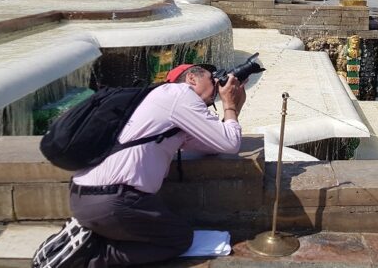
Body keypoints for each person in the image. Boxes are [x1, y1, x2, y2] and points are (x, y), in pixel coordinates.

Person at [38, 64, 246, 266]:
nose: (217, 84)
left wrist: (235, 106)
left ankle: (86, 237)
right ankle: (91, 255)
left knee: (162, 234)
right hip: (114, 202)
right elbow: (230, 143)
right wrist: (229, 105)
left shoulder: (158, 105)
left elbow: (216, 144)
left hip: (84, 198)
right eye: (212, 78)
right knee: (179, 238)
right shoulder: (180, 94)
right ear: (191, 78)